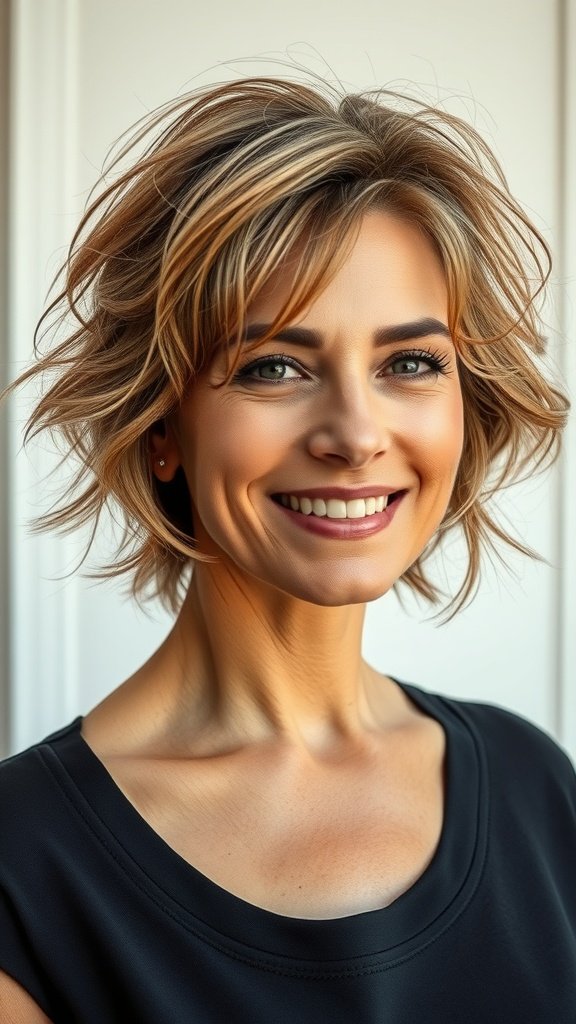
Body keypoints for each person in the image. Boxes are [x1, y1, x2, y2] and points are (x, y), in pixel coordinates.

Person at [0, 74, 574, 1024]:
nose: (355, 432)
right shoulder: (23, 871)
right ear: (162, 426)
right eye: (274, 366)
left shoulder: (535, 786)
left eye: (410, 364)